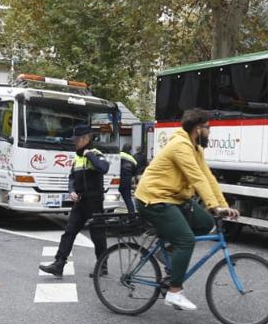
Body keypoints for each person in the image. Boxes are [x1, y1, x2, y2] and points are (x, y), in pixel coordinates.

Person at [133, 109, 239, 312]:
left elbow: (208, 178)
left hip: (175, 198)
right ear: (198, 129)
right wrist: (213, 205)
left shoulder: (195, 149)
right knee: (186, 240)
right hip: (154, 198)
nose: (210, 132)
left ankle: (169, 252)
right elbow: (196, 178)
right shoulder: (180, 146)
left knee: (206, 223)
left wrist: (222, 206)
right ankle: (174, 291)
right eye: (208, 128)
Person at [40, 125, 110, 277]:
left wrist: (89, 154)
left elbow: (104, 168)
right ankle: (59, 264)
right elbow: (72, 178)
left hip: (94, 201)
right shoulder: (77, 158)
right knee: (69, 232)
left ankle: (102, 266)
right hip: (80, 202)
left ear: (86, 139)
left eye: (77, 140)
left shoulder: (96, 154)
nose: (74, 143)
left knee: (97, 235)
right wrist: (71, 191)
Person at [117, 142, 139, 214]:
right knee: (128, 199)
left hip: (116, 180)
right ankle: (132, 215)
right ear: (130, 150)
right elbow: (135, 173)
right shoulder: (132, 159)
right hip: (127, 181)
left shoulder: (118, 155)